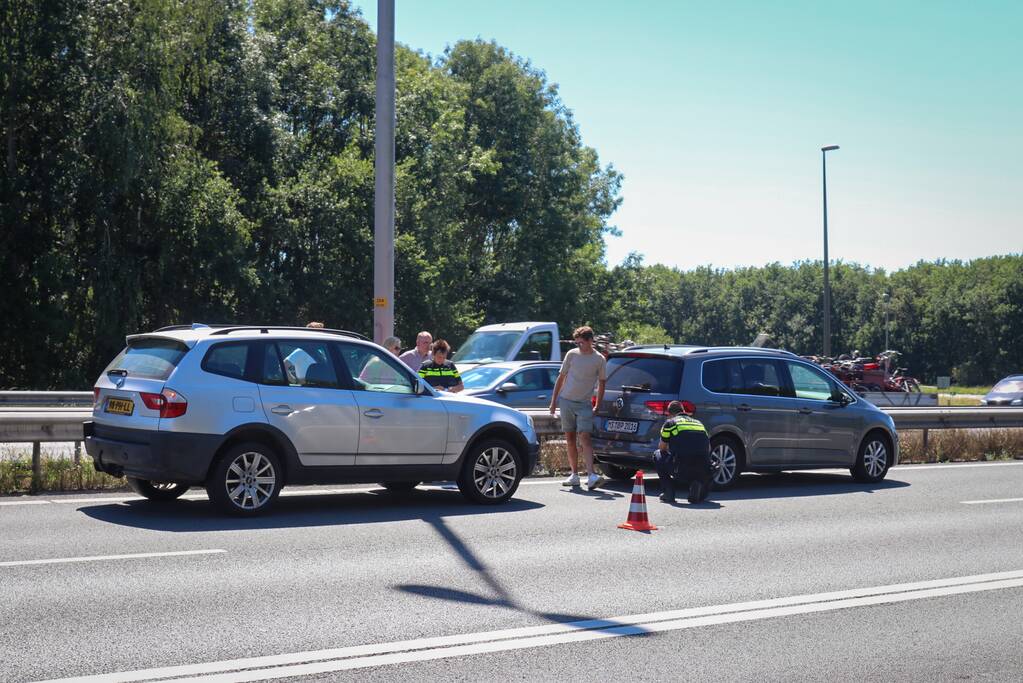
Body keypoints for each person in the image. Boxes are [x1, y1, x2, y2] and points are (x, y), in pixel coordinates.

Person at [549, 326, 607, 490]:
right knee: (570, 438)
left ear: (590, 341)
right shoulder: (571, 354)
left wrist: (598, 404)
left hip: (584, 404)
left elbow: (602, 383)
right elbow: (561, 378)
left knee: (585, 437)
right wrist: (553, 402)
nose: (579, 346)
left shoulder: (599, 359)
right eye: (577, 343)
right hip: (566, 401)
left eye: (581, 342)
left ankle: (591, 475)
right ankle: (574, 475)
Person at [655, 401, 714, 504]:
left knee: (657, 454)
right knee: (700, 462)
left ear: (669, 414)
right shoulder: (698, 423)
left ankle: (669, 492)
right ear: (683, 411)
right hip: (703, 470)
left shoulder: (670, 423)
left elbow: (662, 448)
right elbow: (708, 448)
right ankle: (697, 484)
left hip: (681, 469)